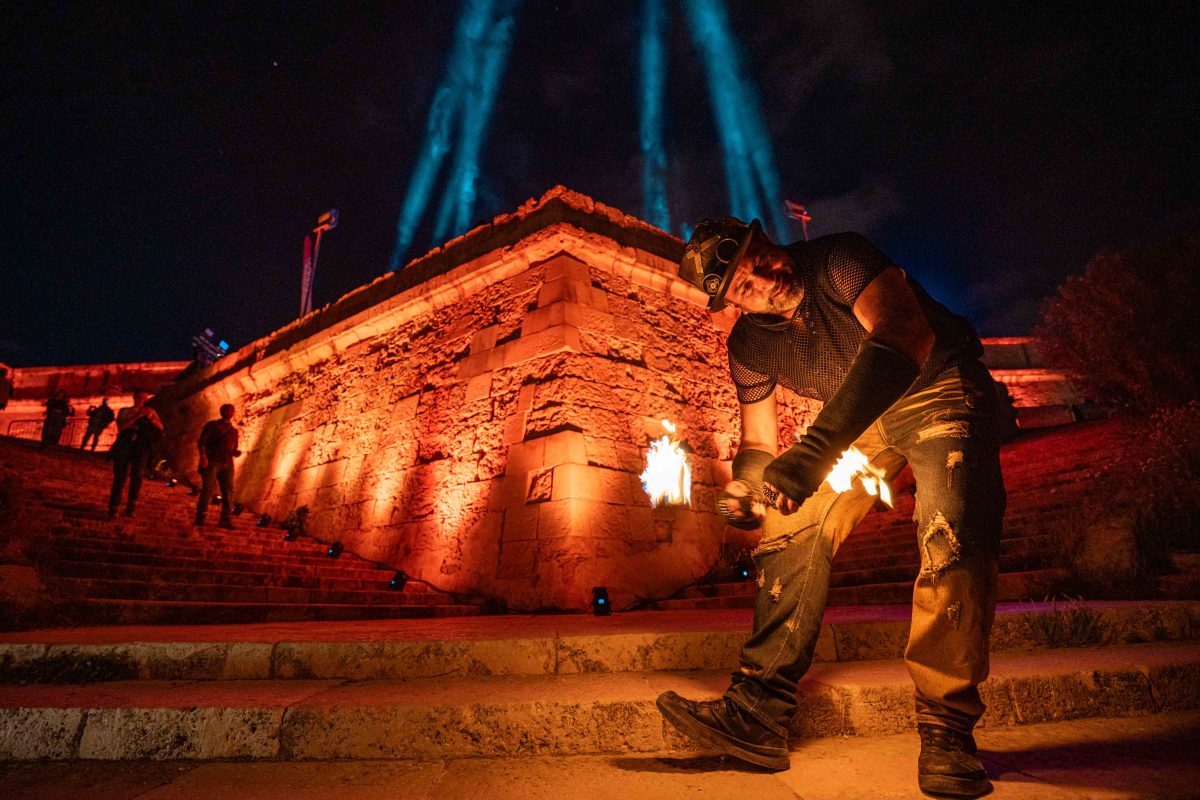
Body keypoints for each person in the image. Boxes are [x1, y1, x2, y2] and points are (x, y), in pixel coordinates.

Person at [663, 217, 1005, 798]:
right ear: (731, 304)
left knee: (952, 528)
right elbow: (758, 442)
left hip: (939, 386)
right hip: (860, 426)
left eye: (759, 256)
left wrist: (814, 452)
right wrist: (746, 486)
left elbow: (904, 333)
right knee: (788, 521)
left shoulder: (838, 261)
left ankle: (946, 727)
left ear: (767, 240)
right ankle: (758, 709)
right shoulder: (748, 346)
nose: (764, 278)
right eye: (744, 285)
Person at [108, 391, 163, 518]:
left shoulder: (151, 411)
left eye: (144, 398)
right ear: (134, 398)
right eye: (139, 397)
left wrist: (151, 418)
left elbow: (160, 427)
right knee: (120, 475)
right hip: (125, 443)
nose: (141, 400)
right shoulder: (125, 411)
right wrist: (137, 416)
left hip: (141, 444)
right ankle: (114, 506)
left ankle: (131, 507)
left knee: (137, 475)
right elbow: (122, 427)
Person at [195, 403, 241, 529]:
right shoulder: (212, 425)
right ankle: (201, 516)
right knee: (207, 489)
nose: (229, 412)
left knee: (228, 491)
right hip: (212, 460)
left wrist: (235, 452)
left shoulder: (234, 431)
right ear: (221, 412)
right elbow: (202, 442)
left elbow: (233, 448)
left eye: (231, 410)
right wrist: (203, 456)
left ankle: (226, 519)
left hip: (227, 463)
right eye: (226, 410)